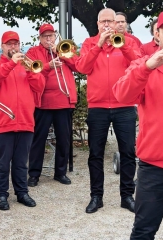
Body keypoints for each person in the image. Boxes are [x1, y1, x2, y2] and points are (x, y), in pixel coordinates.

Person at [75, 8, 140, 214]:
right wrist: (99, 44)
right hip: (98, 108)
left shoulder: (128, 42)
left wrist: (123, 45)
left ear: (116, 23)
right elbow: (82, 68)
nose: (106, 25)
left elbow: (138, 65)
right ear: (97, 24)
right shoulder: (89, 43)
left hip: (125, 107)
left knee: (129, 153)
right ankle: (96, 197)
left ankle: (127, 196)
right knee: (95, 154)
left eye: (110, 21)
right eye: (103, 21)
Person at [113, 11, 163, 240]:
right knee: (143, 231)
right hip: (154, 165)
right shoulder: (144, 65)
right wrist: (147, 67)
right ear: (158, 35)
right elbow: (122, 95)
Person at [0, 31, 45, 210]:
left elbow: (40, 86)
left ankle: (22, 192)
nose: (13, 47)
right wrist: (11, 64)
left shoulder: (27, 66)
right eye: (9, 44)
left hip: (25, 121)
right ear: (2, 47)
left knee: (21, 162)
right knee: (2, 164)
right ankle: (1, 195)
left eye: (16, 44)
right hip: (4, 122)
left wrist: (30, 72)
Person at [26, 23, 78, 187]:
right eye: (45, 36)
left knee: (64, 139)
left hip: (64, 100)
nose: (49, 39)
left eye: (51, 36)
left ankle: (60, 172)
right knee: (38, 140)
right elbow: (30, 72)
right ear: (40, 38)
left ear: (55, 36)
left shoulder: (64, 49)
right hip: (42, 102)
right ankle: (34, 174)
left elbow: (78, 65)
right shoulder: (33, 52)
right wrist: (48, 66)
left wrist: (60, 53)